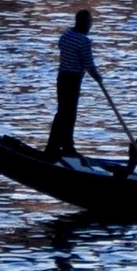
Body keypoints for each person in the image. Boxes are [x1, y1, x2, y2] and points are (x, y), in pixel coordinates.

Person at [45, 9, 100, 160]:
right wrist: (98, 78)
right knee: (69, 114)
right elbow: (88, 64)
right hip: (73, 79)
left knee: (62, 112)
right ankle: (67, 147)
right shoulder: (83, 41)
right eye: (90, 22)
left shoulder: (65, 36)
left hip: (62, 77)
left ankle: (53, 145)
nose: (90, 25)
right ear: (84, 23)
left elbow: (64, 51)